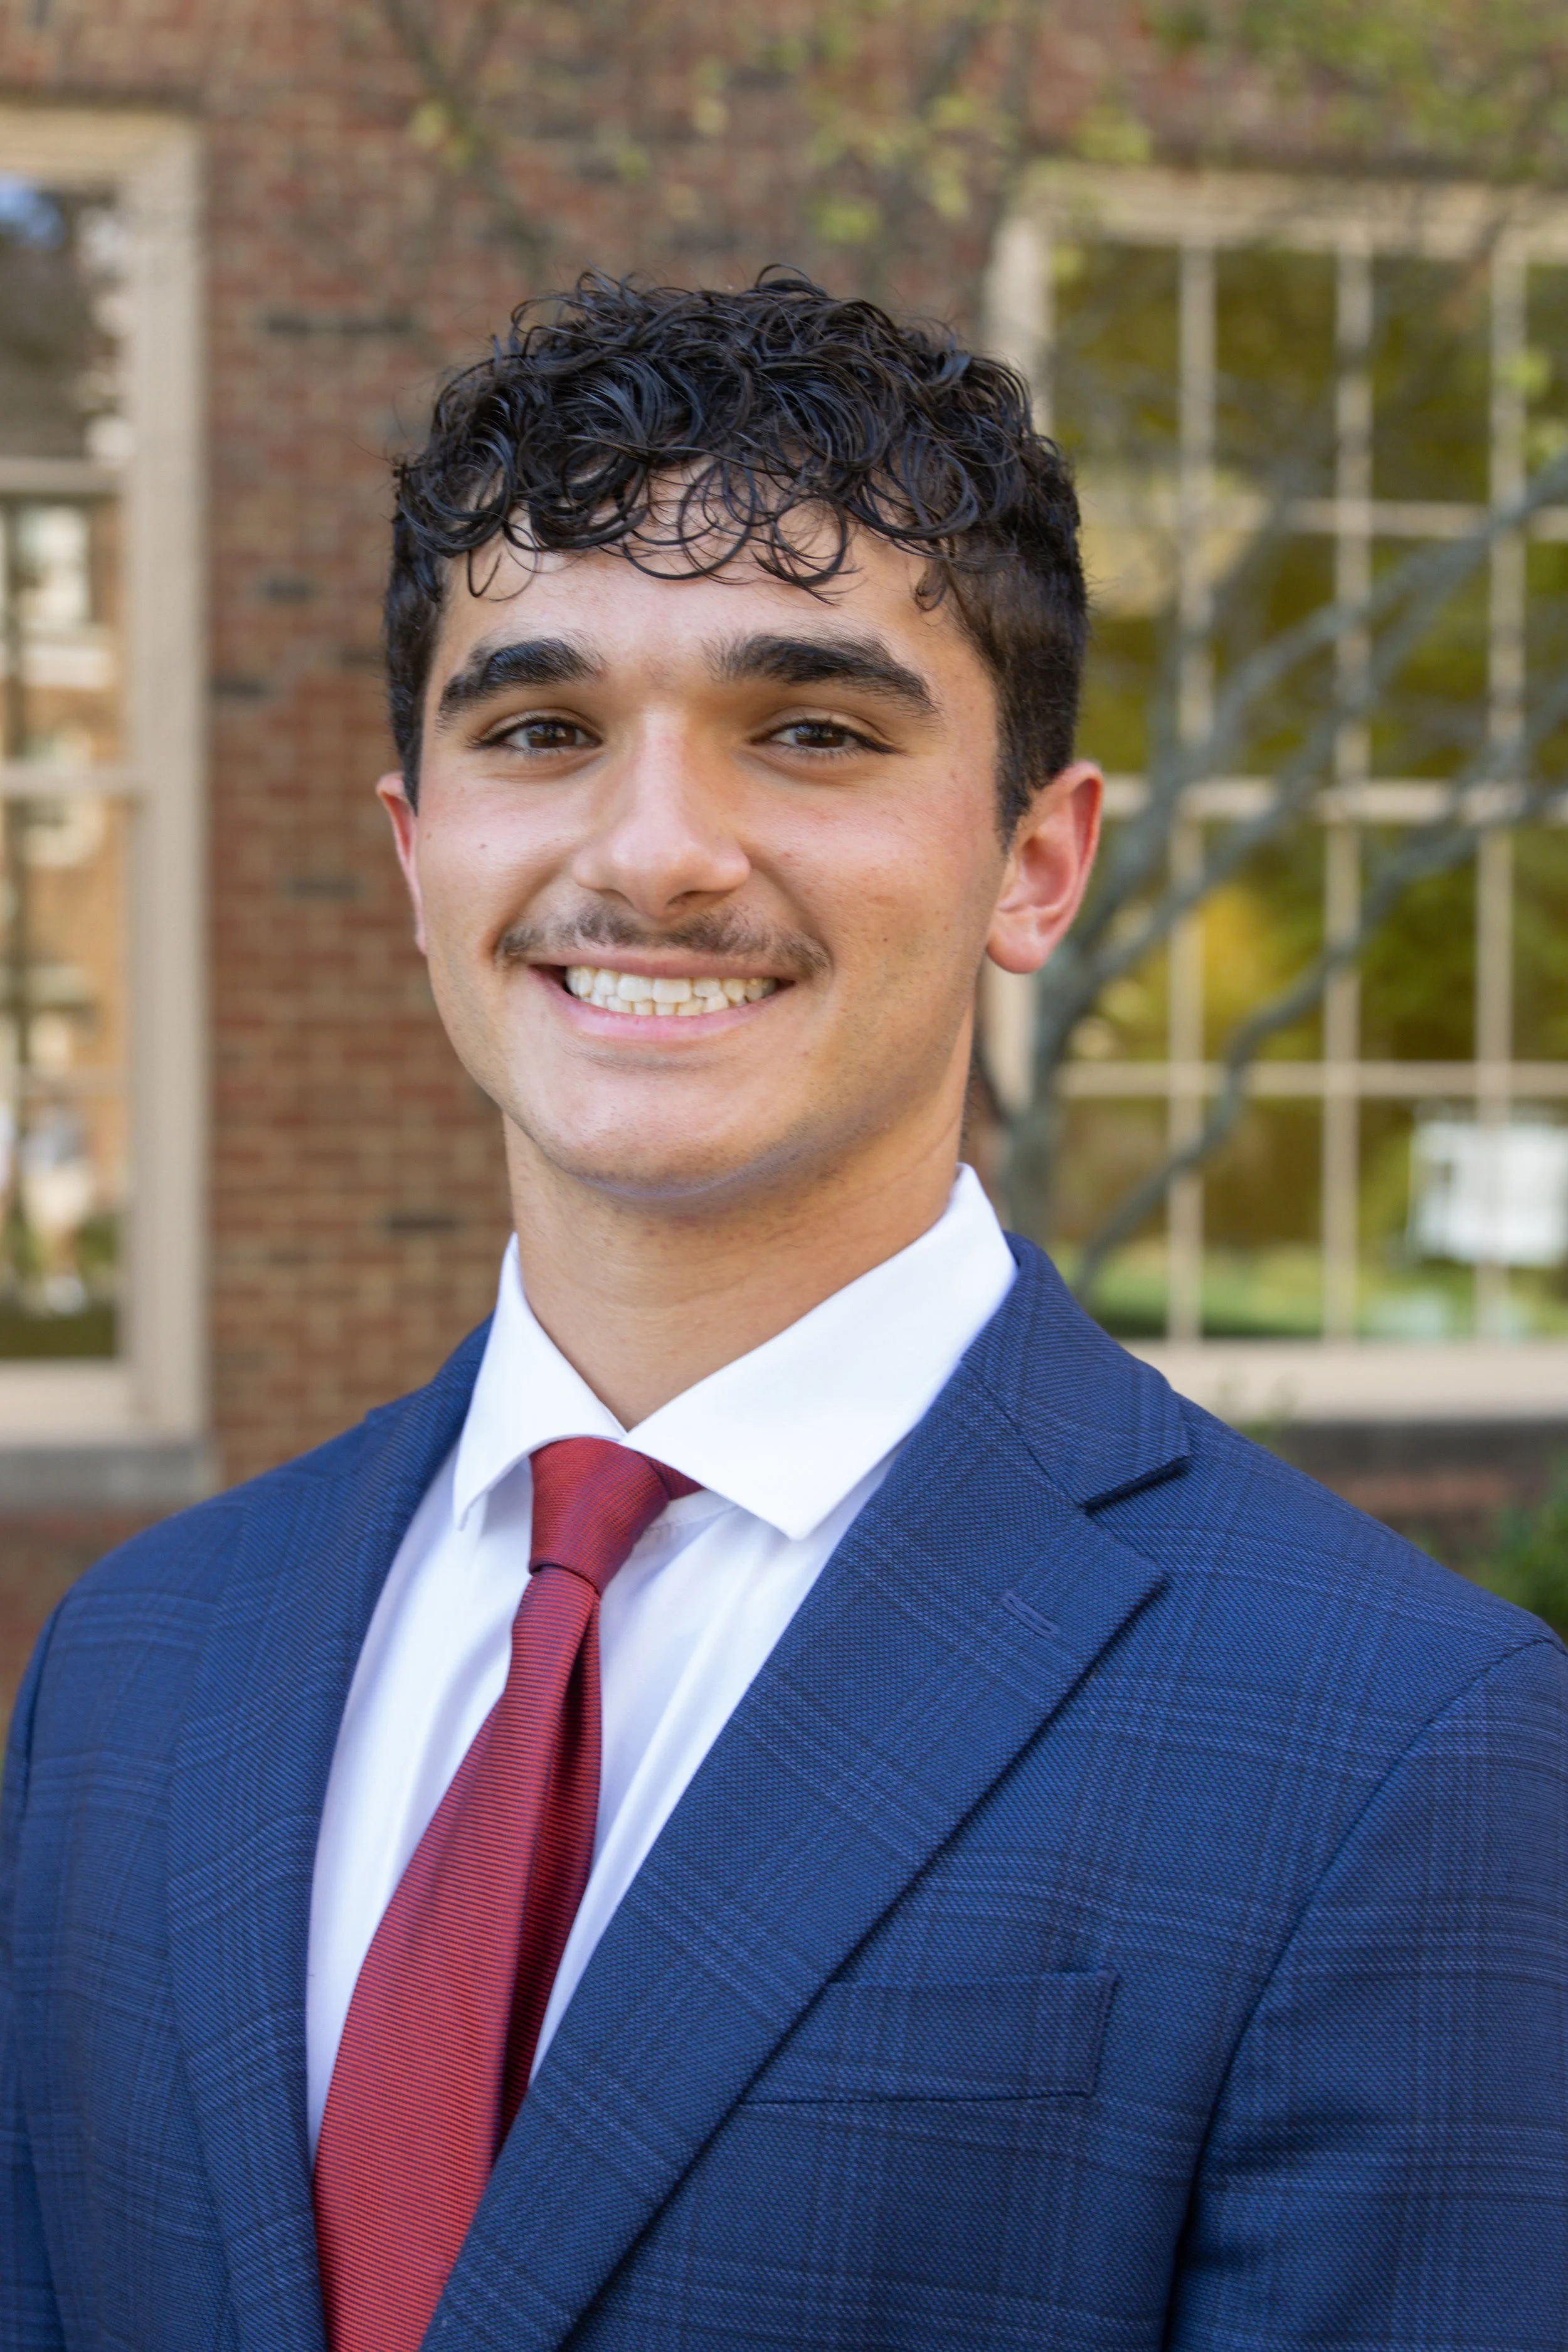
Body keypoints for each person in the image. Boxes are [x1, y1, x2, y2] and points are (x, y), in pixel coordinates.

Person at [3, 271, 1565, 2352]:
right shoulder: (131, 1664)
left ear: (1035, 861)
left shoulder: (1398, 1744)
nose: (651, 852)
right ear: (415, 851)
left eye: (809, 730)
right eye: (539, 729)